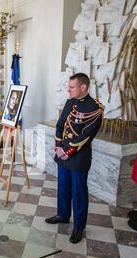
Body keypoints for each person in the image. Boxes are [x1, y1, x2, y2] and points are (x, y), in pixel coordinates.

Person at [45, 73, 103, 244]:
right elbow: (60, 124)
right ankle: (63, 215)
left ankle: (79, 226)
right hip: (62, 153)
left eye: (71, 87)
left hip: (78, 156)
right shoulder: (70, 102)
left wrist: (66, 150)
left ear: (83, 87)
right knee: (63, 186)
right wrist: (57, 146)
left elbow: (86, 136)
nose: (68, 90)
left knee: (78, 192)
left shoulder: (95, 108)